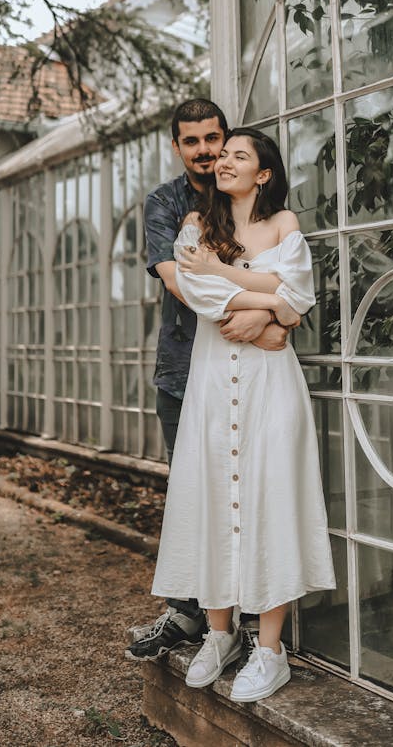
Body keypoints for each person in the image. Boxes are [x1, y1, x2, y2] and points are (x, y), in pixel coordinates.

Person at [150, 127, 335, 702]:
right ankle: (220, 634)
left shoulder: (284, 226)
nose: (222, 161)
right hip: (211, 383)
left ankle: (271, 649)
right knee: (210, 498)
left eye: (237, 155)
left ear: (263, 174)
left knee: (271, 500)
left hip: (270, 387)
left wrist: (237, 280)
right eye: (219, 154)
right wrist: (271, 304)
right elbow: (197, 292)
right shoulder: (195, 226)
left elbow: (301, 289)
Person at [126, 101, 290, 662]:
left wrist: (269, 317)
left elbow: (292, 276)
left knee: (255, 492)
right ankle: (190, 615)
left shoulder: (257, 202)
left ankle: (247, 622)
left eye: (213, 139)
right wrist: (270, 313)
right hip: (185, 369)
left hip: (254, 371)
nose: (205, 151)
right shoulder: (167, 204)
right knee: (196, 495)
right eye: (191, 141)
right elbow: (181, 283)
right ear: (177, 147)